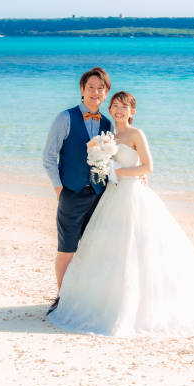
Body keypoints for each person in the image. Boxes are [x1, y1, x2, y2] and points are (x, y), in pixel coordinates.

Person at [48, 91, 194, 336]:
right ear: (109, 109)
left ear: (132, 111)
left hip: (132, 194)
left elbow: (147, 167)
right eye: (115, 106)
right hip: (112, 194)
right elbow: (103, 162)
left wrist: (118, 174)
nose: (119, 110)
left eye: (124, 106)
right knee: (112, 249)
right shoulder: (108, 134)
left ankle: (142, 303)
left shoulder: (136, 134)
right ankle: (102, 299)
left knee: (140, 247)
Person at [42, 67, 114, 314]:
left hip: (98, 195)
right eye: (91, 87)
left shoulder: (107, 123)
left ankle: (86, 297)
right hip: (71, 192)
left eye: (100, 88)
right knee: (67, 249)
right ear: (82, 90)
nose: (95, 92)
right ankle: (62, 298)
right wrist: (59, 189)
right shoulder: (65, 117)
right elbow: (49, 156)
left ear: (106, 94)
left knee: (93, 249)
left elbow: (112, 162)